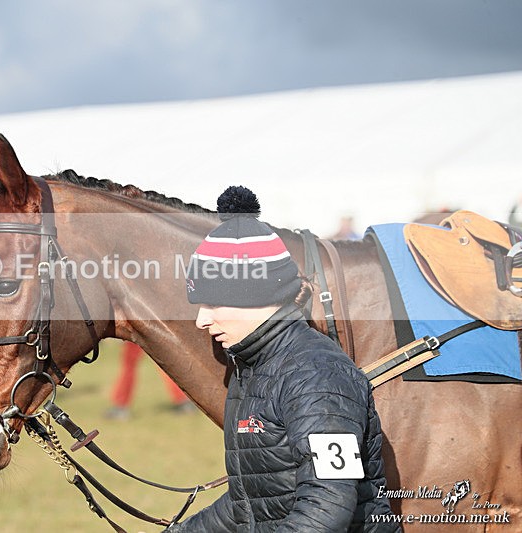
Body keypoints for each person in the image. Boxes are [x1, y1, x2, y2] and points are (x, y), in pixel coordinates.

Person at [169, 186, 397, 531]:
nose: (202, 320)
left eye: (213, 303)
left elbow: (328, 507)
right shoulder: (254, 370)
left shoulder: (318, 378)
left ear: (257, 297)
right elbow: (249, 502)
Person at [105, 341, 194, 420]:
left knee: (129, 363)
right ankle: (184, 401)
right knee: (164, 362)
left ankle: (120, 406)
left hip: (136, 327)